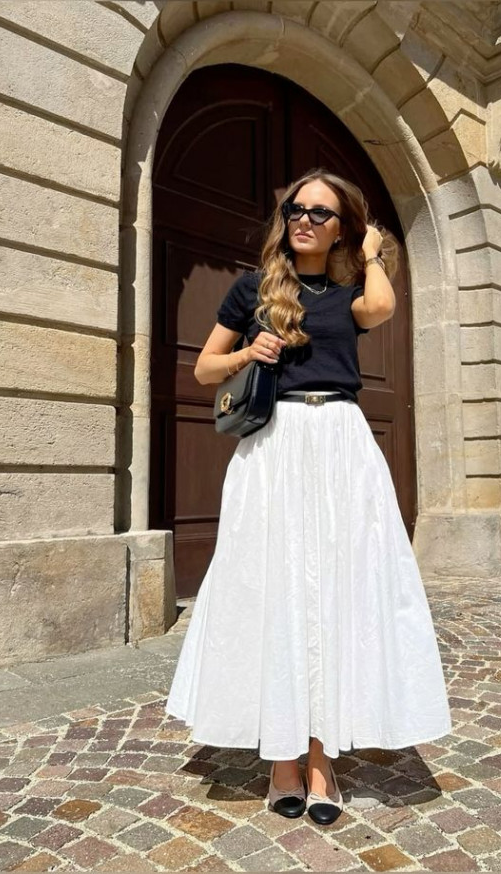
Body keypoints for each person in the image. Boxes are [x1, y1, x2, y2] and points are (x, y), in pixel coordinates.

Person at [166, 169, 452, 825]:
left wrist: (375, 250)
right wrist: (245, 353)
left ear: (342, 226)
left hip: (341, 446)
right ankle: (282, 760)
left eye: (322, 212)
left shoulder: (352, 290)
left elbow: (381, 309)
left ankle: (322, 762)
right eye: (297, 208)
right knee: (276, 591)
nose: (305, 219)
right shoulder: (252, 288)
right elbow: (204, 367)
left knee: (336, 595)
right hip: (276, 449)